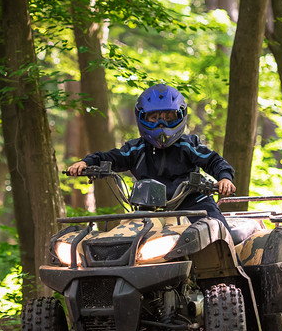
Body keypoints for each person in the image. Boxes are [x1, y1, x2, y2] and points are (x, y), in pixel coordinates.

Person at [65, 83, 236, 228]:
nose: (162, 124)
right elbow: (112, 157)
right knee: (122, 242)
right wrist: (86, 162)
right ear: (142, 118)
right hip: (147, 210)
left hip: (194, 204)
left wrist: (224, 178)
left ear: (180, 116)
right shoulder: (136, 149)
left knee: (217, 229)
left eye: (168, 117)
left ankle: (234, 267)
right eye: (154, 118)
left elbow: (214, 160)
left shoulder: (188, 145)